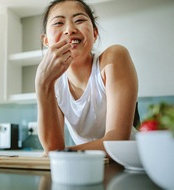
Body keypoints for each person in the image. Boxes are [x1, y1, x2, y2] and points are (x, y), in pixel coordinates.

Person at [35, 0, 139, 156]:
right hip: (88, 167)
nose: (69, 30)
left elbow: (117, 141)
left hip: (131, 165)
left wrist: (59, 154)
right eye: (58, 23)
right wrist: (42, 83)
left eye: (79, 20)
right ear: (46, 41)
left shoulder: (113, 58)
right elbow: (52, 146)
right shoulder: (54, 82)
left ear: (95, 33)